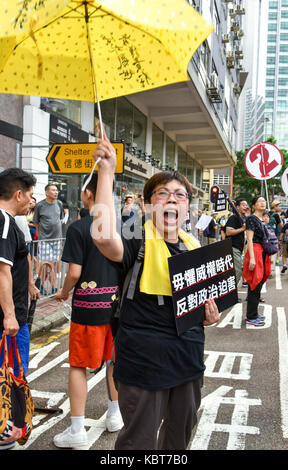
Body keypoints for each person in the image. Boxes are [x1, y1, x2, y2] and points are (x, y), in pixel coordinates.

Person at [91, 130, 220, 450]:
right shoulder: (137, 240)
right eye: (163, 193)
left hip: (188, 362)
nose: (173, 199)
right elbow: (104, 236)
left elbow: (200, 303)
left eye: (181, 194)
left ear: (188, 207)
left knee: (179, 440)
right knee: (139, 443)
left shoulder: (195, 248)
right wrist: (107, 171)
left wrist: (209, 315)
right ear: (148, 206)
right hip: (143, 364)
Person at [53, 173, 123, 450]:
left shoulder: (79, 228)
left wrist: (64, 291)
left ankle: (77, 428)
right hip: (117, 307)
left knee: (79, 365)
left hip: (88, 307)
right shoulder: (123, 227)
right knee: (114, 362)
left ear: (87, 194)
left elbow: (74, 272)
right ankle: (115, 415)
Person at [0, 168, 38, 450]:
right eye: (30, 195)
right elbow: (2, 271)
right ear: (18, 194)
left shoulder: (9, 222)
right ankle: (6, 431)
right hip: (8, 322)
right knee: (10, 374)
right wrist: (11, 315)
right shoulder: (4, 222)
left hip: (11, 317)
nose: (31, 201)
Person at [242, 196, 271, 327]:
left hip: (262, 253)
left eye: (264, 201)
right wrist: (252, 258)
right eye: (259, 201)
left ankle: (254, 313)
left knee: (258, 284)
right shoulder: (252, 219)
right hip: (256, 252)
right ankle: (251, 316)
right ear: (253, 205)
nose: (262, 203)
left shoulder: (261, 219)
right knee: (254, 283)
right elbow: (250, 239)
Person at [33, 184, 64, 294]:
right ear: (46, 192)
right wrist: (43, 234)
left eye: (56, 190)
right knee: (48, 263)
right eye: (53, 190)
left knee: (53, 264)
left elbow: (60, 219)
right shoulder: (40, 205)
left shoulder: (59, 203)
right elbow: (36, 223)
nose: (56, 192)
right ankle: (54, 288)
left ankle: (40, 284)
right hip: (44, 239)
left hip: (57, 239)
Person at [225, 199, 248, 294]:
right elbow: (228, 232)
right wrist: (242, 229)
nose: (245, 207)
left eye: (246, 205)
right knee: (237, 271)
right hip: (233, 248)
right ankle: (231, 293)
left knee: (237, 270)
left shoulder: (243, 219)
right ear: (237, 207)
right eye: (243, 205)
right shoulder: (233, 218)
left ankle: (230, 292)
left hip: (240, 249)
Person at [269, 200, 283, 266]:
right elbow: (282, 226)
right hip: (273, 235)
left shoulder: (267, 213)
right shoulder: (276, 215)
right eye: (279, 206)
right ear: (275, 207)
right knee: (273, 252)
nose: (280, 208)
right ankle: (270, 269)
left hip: (266, 235)